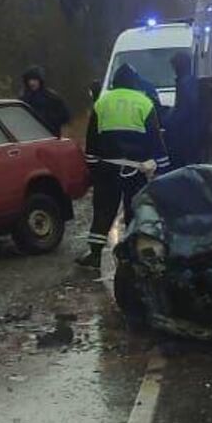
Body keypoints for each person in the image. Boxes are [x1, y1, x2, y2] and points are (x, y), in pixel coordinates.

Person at [77, 61, 168, 269]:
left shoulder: (102, 103)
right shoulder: (144, 103)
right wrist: (162, 168)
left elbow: (92, 138)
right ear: (135, 83)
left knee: (102, 210)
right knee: (133, 210)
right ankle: (131, 255)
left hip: (107, 169)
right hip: (135, 170)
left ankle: (94, 254)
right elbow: (155, 139)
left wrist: (92, 166)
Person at [164, 50, 204, 169]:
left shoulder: (186, 82)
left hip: (186, 135)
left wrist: (168, 120)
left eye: (174, 66)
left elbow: (186, 109)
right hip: (189, 133)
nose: (173, 69)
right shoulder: (186, 81)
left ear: (179, 66)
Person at [17, 65, 71, 136]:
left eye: (35, 80)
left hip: (50, 136)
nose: (32, 83)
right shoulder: (23, 100)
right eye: (29, 80)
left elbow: (66, 116)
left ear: (40, 80)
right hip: (29, 137)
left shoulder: (51, 97)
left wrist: (49, 121)